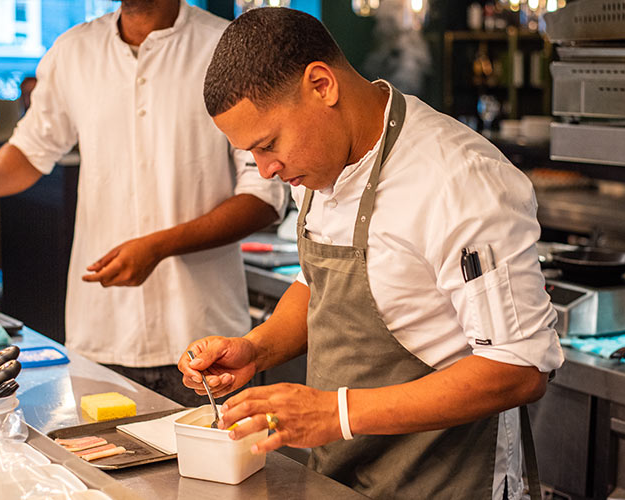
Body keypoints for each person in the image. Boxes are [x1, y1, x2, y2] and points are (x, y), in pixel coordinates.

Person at [178, 7, 563, 500]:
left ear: (322, 85)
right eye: (251, 154)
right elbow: (317, 284)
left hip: (448, 483)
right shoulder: (315, 164)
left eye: (269, 144)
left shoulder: (459, 179)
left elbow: (521, 369)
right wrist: (257, 347)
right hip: (342, 477)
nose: (266, 169)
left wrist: (334, 414)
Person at [0, 0, 287, 406]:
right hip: (101, 335)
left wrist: (160, 246)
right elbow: (32, 149)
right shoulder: (74, 51)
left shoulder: (224, 46)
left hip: (206, 342)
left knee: (218, 469)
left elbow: (264, 195)